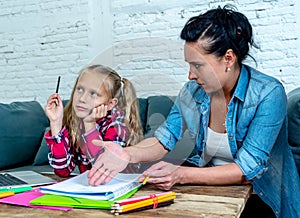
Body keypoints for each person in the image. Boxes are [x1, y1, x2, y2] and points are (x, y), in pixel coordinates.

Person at [87, 5, 300, 218]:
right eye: (189, 65)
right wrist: (128, 153)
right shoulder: (193, 92)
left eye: (198, 65)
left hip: (261, 198)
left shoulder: (268, 93)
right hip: (209, 191)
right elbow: (164, 139)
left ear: (228, 58)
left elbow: (247, 171)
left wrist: (180, 174)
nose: (190, 75)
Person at [44, 64, 143, 177]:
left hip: (120, 186)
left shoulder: (116, 124)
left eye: (94, 94)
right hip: (93, 186)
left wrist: (90, 125)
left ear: (110, 104)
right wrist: (56, 123)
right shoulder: (75, 122)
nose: (82, 99)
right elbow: (62, 170)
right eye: (80, 89)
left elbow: (104, 169)